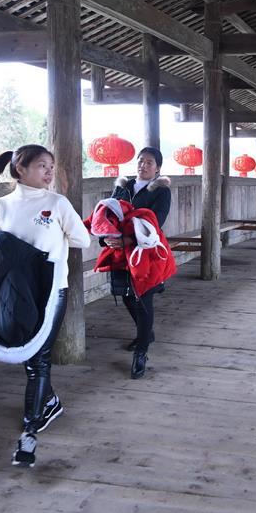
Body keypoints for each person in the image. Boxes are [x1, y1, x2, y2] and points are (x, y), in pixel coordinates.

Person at [0, 145, 90, 468]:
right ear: (20, 170)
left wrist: (46, 244)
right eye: (42, 165)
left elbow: (82, 239)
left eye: (51, 166)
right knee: (29, 354)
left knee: (38, 357)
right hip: (14, 292)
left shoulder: (57, 203)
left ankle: (31, 425)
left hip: (52, 288)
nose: (49, 172)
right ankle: (50, 401)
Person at [106, 147, 171, 380]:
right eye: (141, 161)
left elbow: (157, 222)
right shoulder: (123, 186)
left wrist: (128, 238)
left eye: (149, 163)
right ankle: (146, 334)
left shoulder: (161, 191)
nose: (143, 165)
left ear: (158, 168)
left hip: (147, 250)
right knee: (125, 294)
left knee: (143, 299)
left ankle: (141, 353)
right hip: (121, 251)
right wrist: (108, 235)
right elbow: (109, 213)